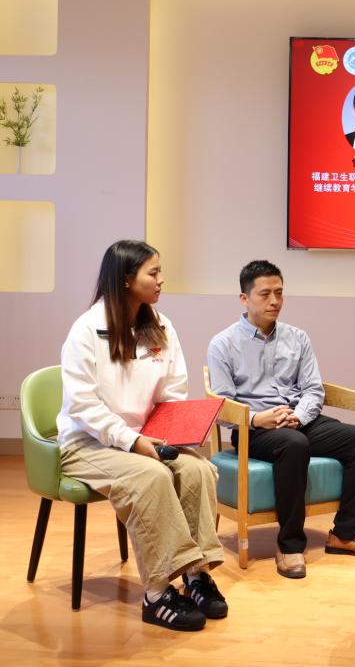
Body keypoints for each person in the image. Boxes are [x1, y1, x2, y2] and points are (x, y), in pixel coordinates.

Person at [57, 240, 226, 632]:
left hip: (144, 438)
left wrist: (178, 431)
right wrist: (132, 442)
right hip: (88, 443)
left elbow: (172, 393)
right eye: (154, 272)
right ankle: (156, 595)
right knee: (152, 477)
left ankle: (196, 575)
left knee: (198, 470)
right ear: (126, 279)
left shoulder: (162, 326)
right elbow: (83, 405)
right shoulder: (85, 331)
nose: (161, 279)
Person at [207, 260, 355, 580]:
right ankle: (290, 544)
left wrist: (299, 416)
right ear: (244, 299)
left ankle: (345, 533)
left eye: (279, 293)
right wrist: (258, 418)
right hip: (254, 428)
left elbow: (313, 389)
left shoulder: (297, 337)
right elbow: (222, 404)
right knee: (293, 444)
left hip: (299, 420)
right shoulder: (223, 344)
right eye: (265, 294)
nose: (274, 300)